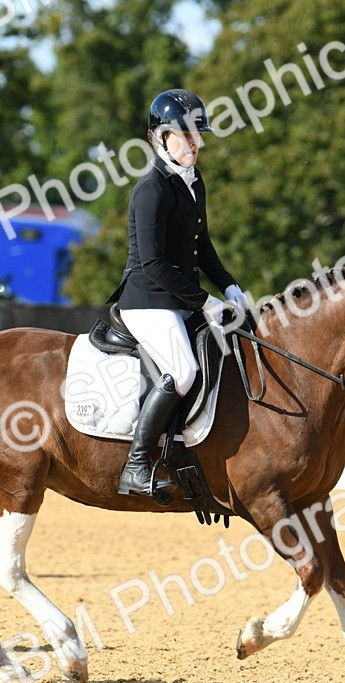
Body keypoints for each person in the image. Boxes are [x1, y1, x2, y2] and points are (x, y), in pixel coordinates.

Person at [108, 88, 251, 500]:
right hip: (148, 300)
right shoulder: (151, 190)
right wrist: (205, 302)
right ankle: (136, 465)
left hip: (179, 297)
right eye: (185, 134)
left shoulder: (193, 181)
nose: (195, 142)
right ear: (159, 138)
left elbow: (200, 244)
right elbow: (152, 264)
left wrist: (228, 284)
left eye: (197, 134)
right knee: (184, 372)